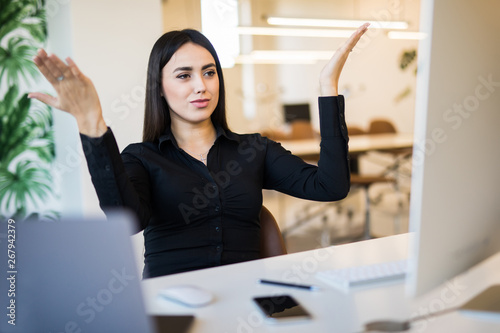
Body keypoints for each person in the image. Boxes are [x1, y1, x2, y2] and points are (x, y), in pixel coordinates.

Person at [29, 23, 370, 278]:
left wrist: (328, 88)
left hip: (249, 305)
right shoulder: (142, 158)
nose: (200, 86)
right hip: (173, 307)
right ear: (159, 88)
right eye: (184, 75)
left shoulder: (253, 149)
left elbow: (331, 186)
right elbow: (126, 221)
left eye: (209, 73)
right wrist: (92, 124)